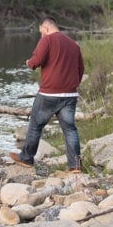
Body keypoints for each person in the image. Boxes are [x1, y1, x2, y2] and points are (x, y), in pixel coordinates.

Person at [9, 17, 85, 173]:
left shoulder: (47, 40)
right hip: (69, 95)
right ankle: (75, 165)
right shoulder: (73, 45)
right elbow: (80, 70)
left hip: (49, 94)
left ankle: (26, 158)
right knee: (70, 129)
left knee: (36, 125)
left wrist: (29, 63)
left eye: (41, 32)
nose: (41, 36)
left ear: (46, 28)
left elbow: (37, 60)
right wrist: (73, 84)